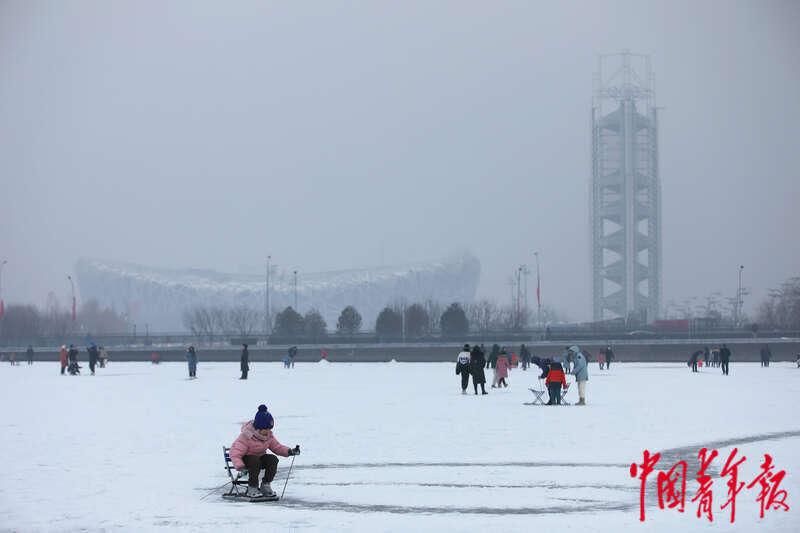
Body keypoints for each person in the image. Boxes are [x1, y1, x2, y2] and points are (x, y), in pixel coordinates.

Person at [229, 404, 301, 499]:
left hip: (259, 459)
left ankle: (265, 485)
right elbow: (235, 452)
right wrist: (240, 466)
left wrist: (290, 451)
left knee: (272, 459)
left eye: (269, 428)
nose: (267, 431)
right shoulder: (246, 436)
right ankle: (252, 488)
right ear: (258, 427)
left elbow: (277, 447)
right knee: (255, 461)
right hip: (247, 459)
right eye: (265, 429)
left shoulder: (268, 436)